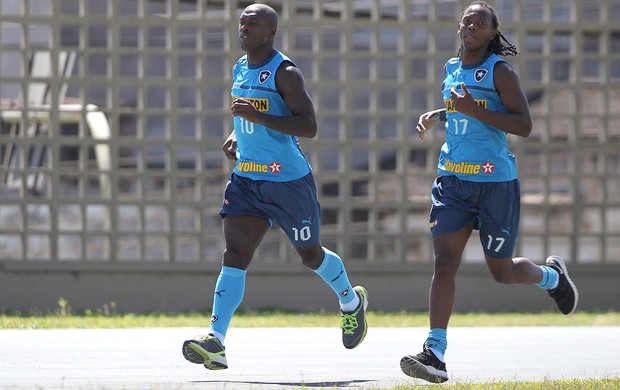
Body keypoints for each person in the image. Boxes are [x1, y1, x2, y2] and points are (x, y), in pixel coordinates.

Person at [181, 3, 368, 371]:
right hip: (248, 179)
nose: (244, 28)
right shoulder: (239, 67)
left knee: (310, 255)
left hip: (287, 182)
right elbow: (246, 115)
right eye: (242, 23)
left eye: (252, 24)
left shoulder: (286, 73)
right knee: (234, 254)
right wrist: (237, 134)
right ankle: (216, 341)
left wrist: (255, 117)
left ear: (271, 32)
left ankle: (351, 302)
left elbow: (308, 126)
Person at [400, 1, 578, 383]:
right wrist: (441, 113)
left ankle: (552, 278)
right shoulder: (450, 67)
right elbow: (465, 108)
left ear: (492, 33)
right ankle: (435, 352)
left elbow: (523, 125)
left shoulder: (501, 72)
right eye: (467, 20)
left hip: (494, 183)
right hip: (452, 181)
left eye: (480, 23)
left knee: (502, 272)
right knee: (444, 263)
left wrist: (468, 107)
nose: (471, 27)